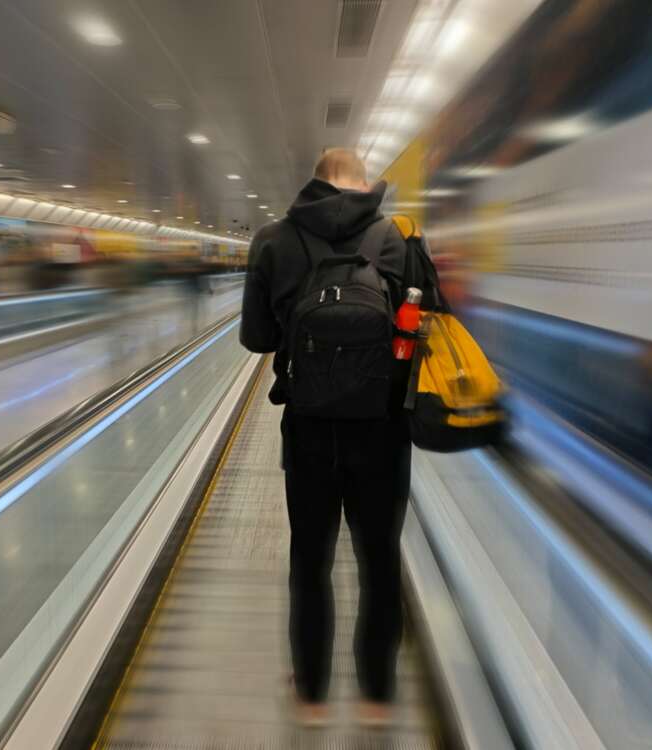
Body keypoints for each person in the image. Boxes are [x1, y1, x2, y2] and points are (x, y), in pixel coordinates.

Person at [240, 149, 437, 727]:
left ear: (315, 181)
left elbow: (255, 338)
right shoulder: (400, 240)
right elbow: (432, 324)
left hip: (308, 430)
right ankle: (376, 695)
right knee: (378, 560)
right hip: (384, 429)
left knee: (311, 558)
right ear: (363, 183)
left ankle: (312, 693)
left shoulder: (274, 239)